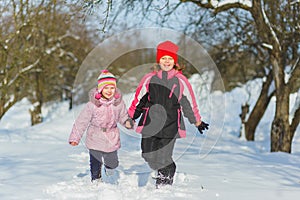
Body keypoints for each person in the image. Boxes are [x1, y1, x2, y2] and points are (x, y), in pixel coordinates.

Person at [128, 40, 209, 188]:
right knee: (147, 154)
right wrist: (130, 116)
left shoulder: (181, 81)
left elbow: (189, 103)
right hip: (150, 122)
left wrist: (197, 120)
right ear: (159, 60)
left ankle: (164, 185)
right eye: (164, 58)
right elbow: (139, 99)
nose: (167, 61)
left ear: (175, 61)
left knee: (164, 156)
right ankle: (165, 170)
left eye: (170, 58)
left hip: (170, 124)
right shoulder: (149, 78)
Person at [69, 69, 133, 183]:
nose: (109, 91)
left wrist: (127, 122)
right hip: (95, 135)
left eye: (112, 88)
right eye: (106, 88)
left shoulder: (118, 103)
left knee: (113, 163)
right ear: (100, 89)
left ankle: (109, 168)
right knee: (95, 161)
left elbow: (123, 115)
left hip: (111, 136)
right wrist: (75, 138)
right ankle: (96, 179)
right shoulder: (92, 105)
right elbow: (81, 121)